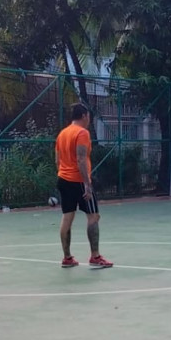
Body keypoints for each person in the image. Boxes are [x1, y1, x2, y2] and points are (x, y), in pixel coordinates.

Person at [55, 104, 112, 269]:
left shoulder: (62, 134)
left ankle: (67, 258)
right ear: (84, 115)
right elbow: (81, 159)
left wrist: (64, 174)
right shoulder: (82, 133)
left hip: (63, 179)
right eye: (89, 117)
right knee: (93, 216)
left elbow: (57, 161)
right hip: (79, 181)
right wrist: (87, 184)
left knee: (67, 218)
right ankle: (95, 256)